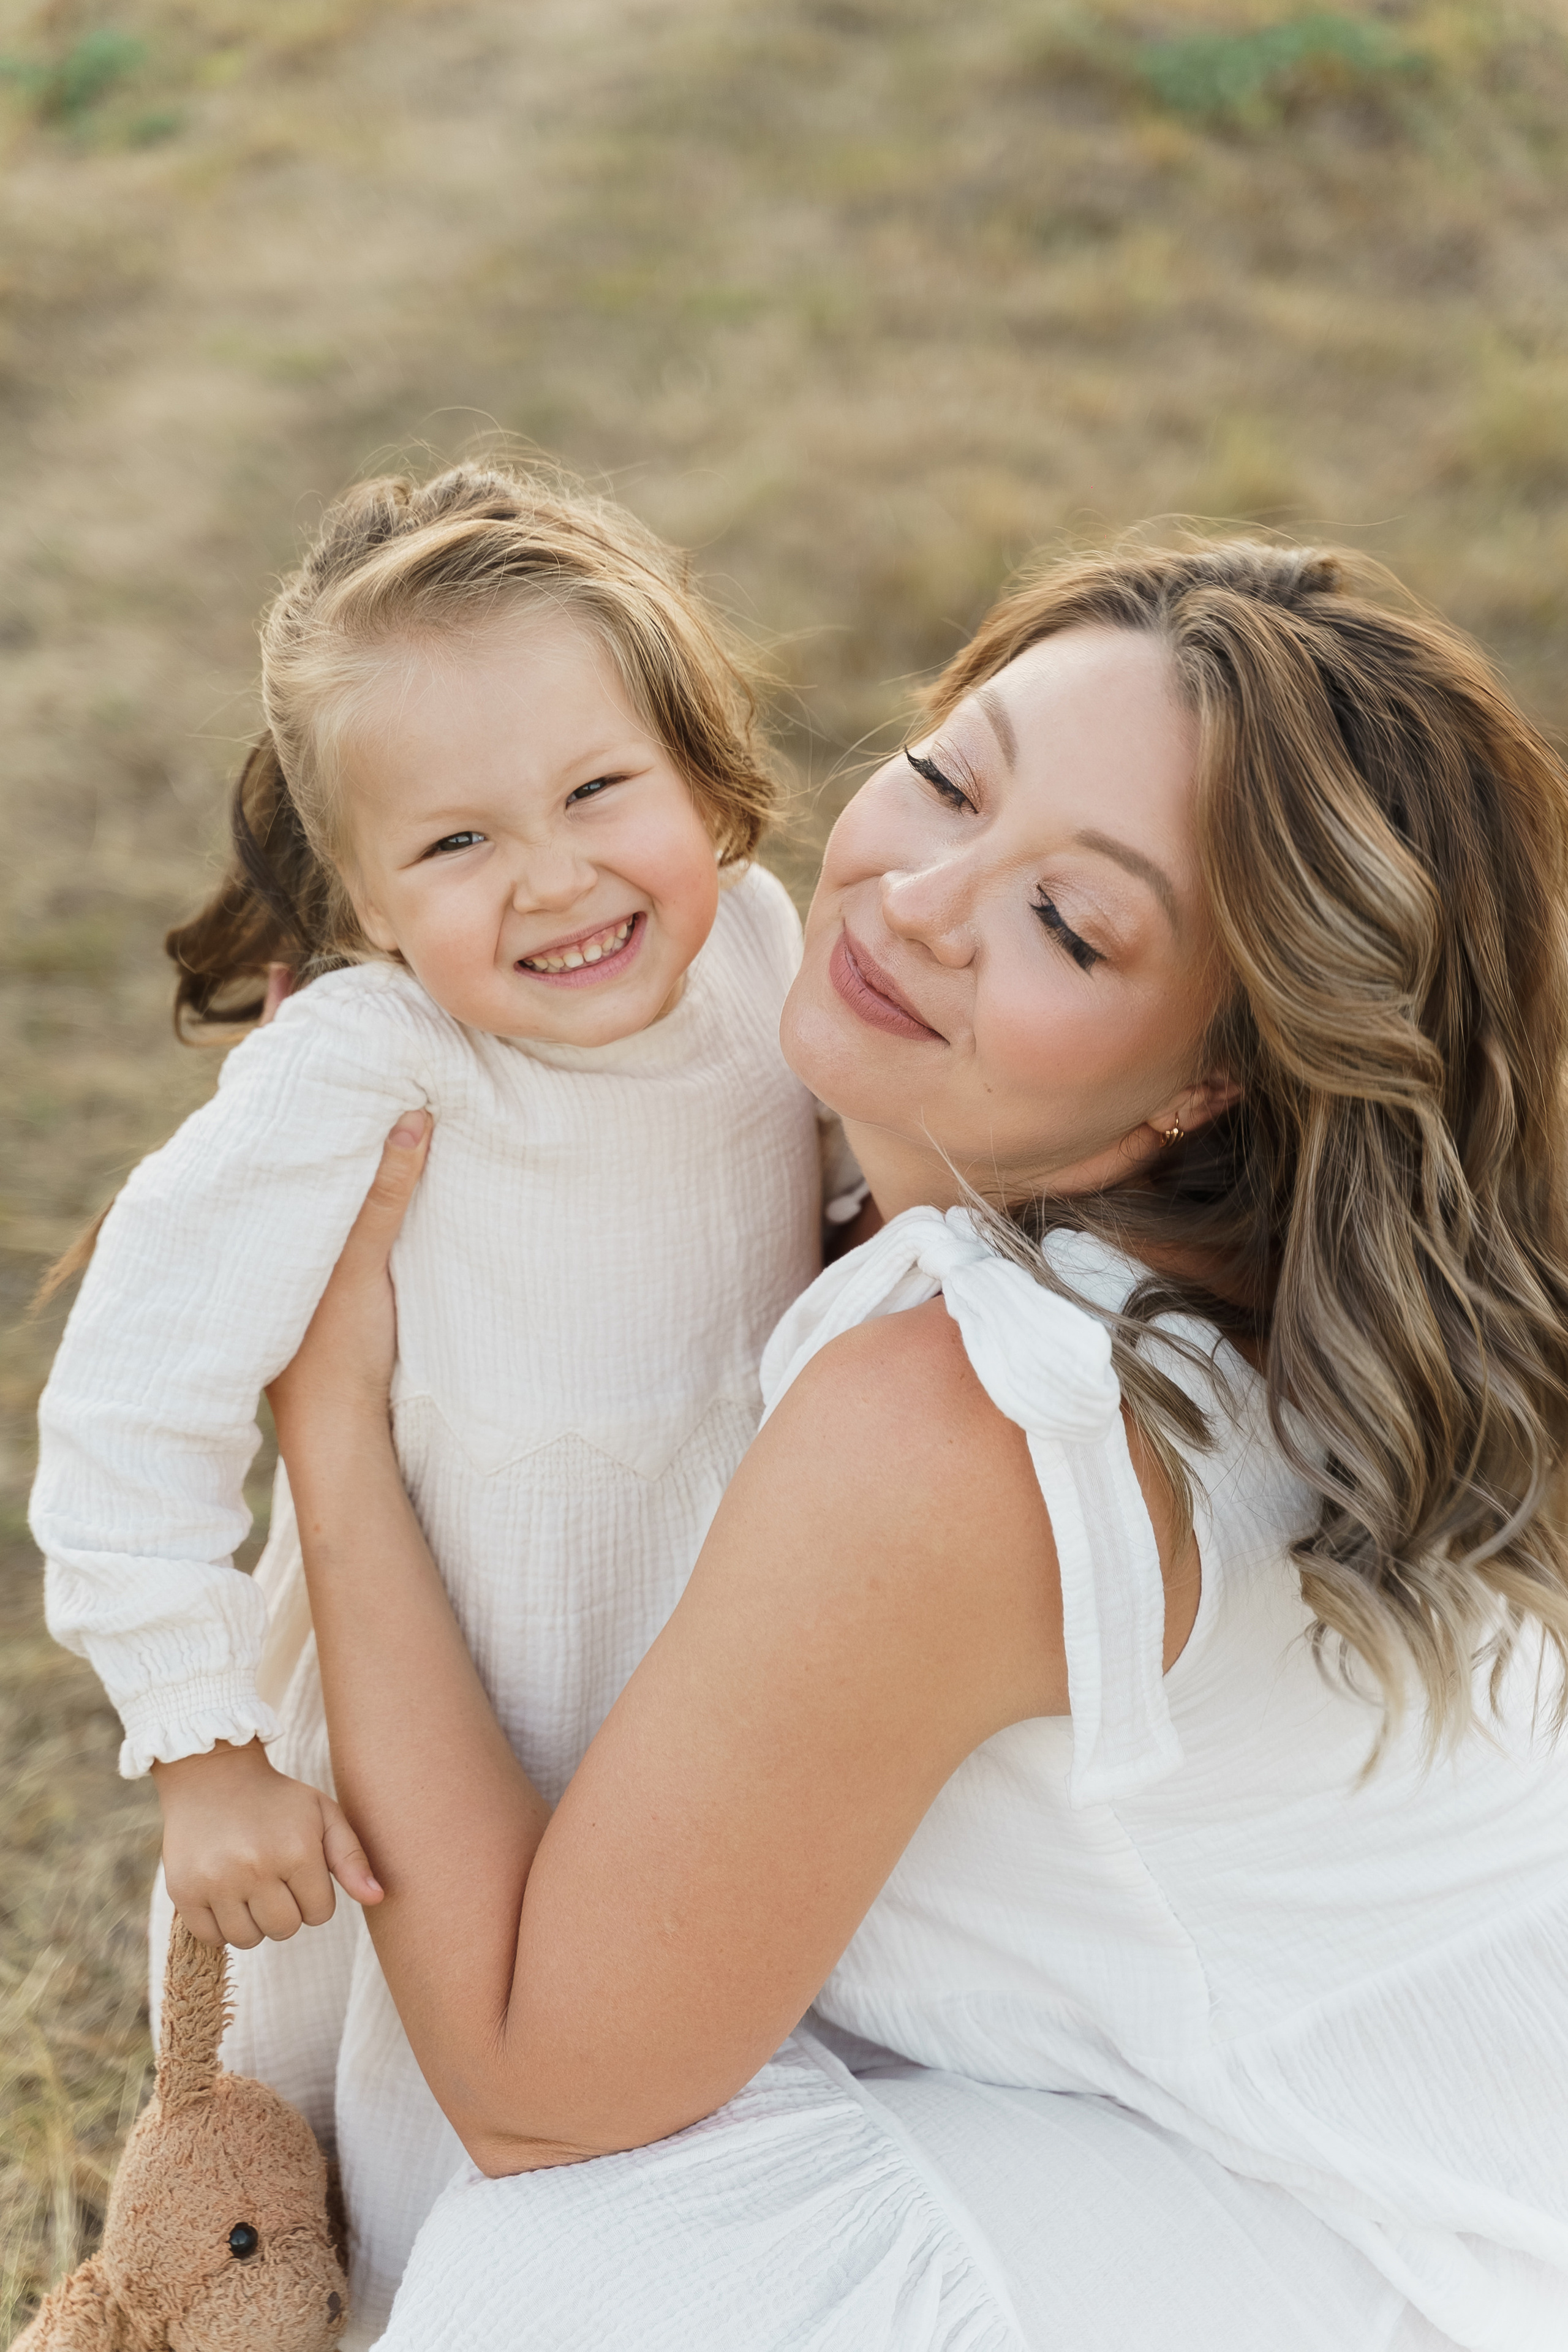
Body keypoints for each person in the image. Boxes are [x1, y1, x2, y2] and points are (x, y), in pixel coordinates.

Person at [268, 538, 1568, 2352]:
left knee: (598, 2291)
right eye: (953, 776)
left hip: (1405, 2238)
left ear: (1210, 1083)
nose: (922, 899)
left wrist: (327, 1428)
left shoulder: (972, 1426)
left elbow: (537, 2079)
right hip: (1321, 2107)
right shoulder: (1054, 1206)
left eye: (1072, 922)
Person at [29, 461, 851, 2330]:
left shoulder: (757, 947)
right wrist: (205, 1747)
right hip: (461, 1684)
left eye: (595, 793)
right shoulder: (369, 1068)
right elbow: (126, 1404)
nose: (554, 879)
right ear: (369, 901)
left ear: (707, 776)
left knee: (715, 2058)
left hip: (731, 1660)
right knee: (435, 2162)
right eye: (456, 846)